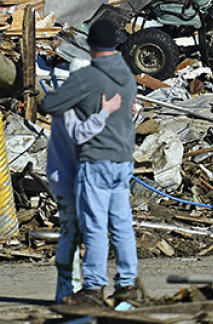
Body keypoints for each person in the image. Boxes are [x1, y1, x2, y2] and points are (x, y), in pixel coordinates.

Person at [41, 19, 140, 307]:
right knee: (121, 224)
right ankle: (127, 287)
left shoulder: (88, 78)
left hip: (96, 161)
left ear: (89, 45)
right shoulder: (128, 76)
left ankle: (93, 288)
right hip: (123, 161)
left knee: (94, 224)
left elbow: (50, 104)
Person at [47, 91, 121, 302]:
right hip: (72, 181)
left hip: (64, 179)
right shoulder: (76, 111)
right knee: (81, 234)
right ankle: (76, 290)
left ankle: (67, 289)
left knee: (70, 234)